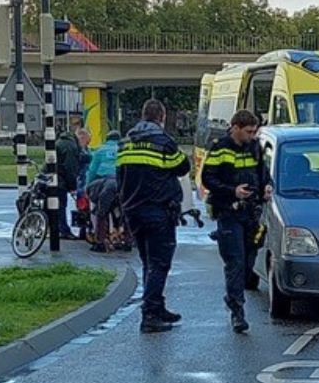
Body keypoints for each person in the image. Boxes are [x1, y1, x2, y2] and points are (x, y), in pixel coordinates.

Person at [116, 99, 188, 332]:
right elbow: (183, 167)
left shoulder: (125, 143)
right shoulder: (164, 142)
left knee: (148, 262)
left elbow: (120, 177)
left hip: (132, 210)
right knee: (159, 263)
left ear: (142, 115)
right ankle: (150, 315)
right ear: (162, 117)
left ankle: (157, 307)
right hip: (158, 210)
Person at [200, 109, 271, 333]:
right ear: (236, 128)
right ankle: (237, 312)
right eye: (249, 131)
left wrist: (267, 186)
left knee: (249, 263)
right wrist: (233, 191)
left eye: (254, 131)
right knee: (236, 263)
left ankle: (233, 296)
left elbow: (263, 173)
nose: (252, 135)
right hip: (229, 212)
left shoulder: (255, 147)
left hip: (252, 213)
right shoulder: (220, 148)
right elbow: (207, 178)